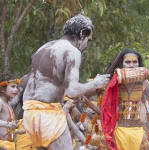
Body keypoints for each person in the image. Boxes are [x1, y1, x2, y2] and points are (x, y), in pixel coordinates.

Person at [21, 14, 109, 150]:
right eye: (88, 40)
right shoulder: (72, 51)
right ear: (82, 33)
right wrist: (96, 83)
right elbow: (72, 90)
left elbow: (26, 81)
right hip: (48, 115)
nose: (86, 45)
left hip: (29, 114)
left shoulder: (43, 48)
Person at [0, 73, 20, 150]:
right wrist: (8, 124)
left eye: (16, 87)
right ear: (2, 89)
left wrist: (18, 130)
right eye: (13, 86)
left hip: (9, 145)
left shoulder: (8, 105)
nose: (16, 89)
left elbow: (6, 128)